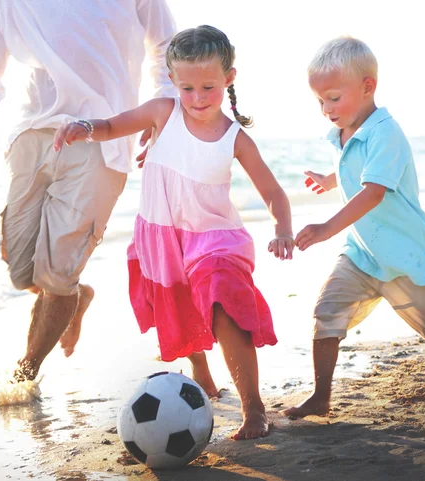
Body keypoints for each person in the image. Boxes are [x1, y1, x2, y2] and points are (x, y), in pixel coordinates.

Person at [54, 25, 294, 440]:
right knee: (182, 307)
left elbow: (272, 189)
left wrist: (283, 228)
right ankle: (200, 368)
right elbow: (112, 126)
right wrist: (85, 126)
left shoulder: (234, 137)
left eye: (208, 87)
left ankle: (254, 409)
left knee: (222, 302)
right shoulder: (162, 113)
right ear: (173, 82)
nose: (198, 98)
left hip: (215, 238)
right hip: (162, 235)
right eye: (188, 88)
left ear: (228, 79)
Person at [0, 0, 178, 382]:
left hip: (102, 134)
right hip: (31, 133)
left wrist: (164, 109)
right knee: (22, 272)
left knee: (56, 278)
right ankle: (77, 296)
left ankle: (25, 374)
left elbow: (167, 46)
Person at [283, 37, 425, 419]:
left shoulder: (386, 132)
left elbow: (373, 192)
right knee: (326, 311)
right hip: (361, 253)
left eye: (332, 98)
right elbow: (358, 168)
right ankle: (321, 395)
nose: (326, 109)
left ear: (367, 87)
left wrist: (326, 227)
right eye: (319, 102)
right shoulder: (345, 130)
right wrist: (330, 179)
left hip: (405, 256)